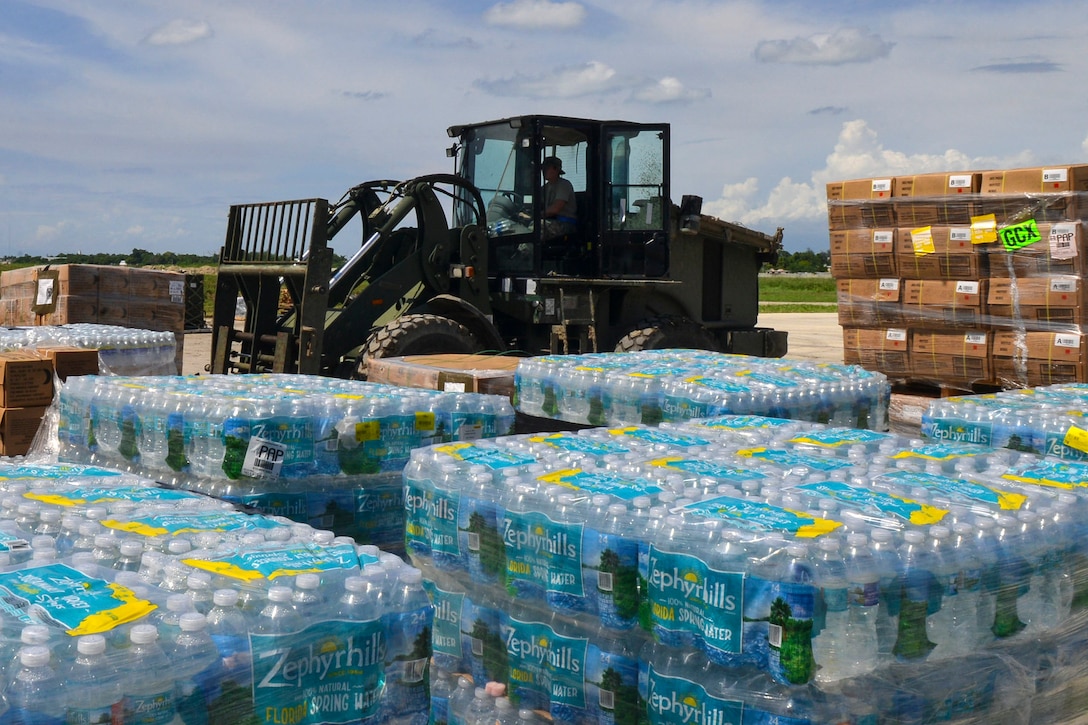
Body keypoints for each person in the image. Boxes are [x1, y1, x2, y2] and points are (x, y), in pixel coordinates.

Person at [540, 156, 577, 240]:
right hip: (550, 221)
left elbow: (555, 209)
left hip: (565, 223)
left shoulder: (564, 185)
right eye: (543, 168)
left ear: (556, 169)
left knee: (538, 227)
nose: (543, 171)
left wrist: (537, 215)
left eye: (546, 168)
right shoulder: (543, 188)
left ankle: (524, 252)